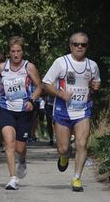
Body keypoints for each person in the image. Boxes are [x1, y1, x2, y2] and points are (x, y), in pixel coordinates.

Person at [42, 32, 101, 192]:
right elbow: (46, 84)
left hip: (83, 110)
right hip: (63, 111)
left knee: (82, 143)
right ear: (71, 46)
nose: (80, 47)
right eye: (76, 44)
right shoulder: (61, 63)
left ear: (87, 46)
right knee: (63, 148)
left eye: (83, 44)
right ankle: (63, 157)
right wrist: (61, 94)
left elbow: (95, 83)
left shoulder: (92, 65)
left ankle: (77, 178)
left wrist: (95, 87)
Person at [0, 36, 42, 190]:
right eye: (13, 51)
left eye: (18, 51)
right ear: (9, 52)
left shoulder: (29, 67)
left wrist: (31, 100)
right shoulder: (2, 67)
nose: (16, 54)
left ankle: (22, 160)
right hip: (6, 109)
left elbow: (39, 86)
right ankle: (12, 178)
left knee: (19, 148)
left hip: (24, 111)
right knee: (9, 143)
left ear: (22, 52)